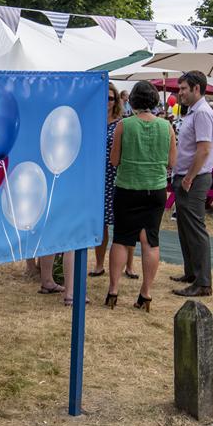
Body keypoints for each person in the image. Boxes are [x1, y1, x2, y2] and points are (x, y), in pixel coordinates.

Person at [107, 80, 176, 310]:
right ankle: (145, 293)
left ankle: (113, 290)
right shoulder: (167, 127)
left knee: (121, 238)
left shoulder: (124, 125)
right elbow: (171, 162)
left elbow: (114, 161)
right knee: (150, 241)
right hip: (155, 190)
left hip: (127, 187)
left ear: (133, 100)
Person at [169, 71, 213, 298]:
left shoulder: (203, 113)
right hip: (187, 176)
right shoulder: (194, 112)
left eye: (183, 89)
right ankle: (192, 272)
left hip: (194, 179)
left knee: (195, 229)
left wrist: (188, 178)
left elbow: (204, 149)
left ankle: (203, 282)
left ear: (196, 88)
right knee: (185, 227)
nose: (180, 94)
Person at [91, 83, 136, 279]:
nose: (106, 102)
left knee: (124, 224)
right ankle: (99, 264)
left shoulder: (122, 123)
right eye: (104, 98)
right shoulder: (92, 121)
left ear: (116, 101)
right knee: (100, 224)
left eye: (110, 98)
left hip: (117, 177)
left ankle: (130, 266)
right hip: (97, 179)